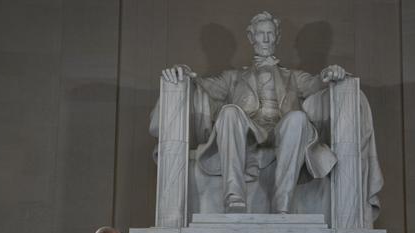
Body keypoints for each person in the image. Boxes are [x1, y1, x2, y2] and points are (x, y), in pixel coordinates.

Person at [159, 11, 382, 215]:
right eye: (261, 34)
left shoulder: (293, 77)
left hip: (283, 133)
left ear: (276, 37)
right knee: (228, 112)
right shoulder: (233, 78)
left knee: (297, 118)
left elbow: (317, 84)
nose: (265, 39)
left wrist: (331, 72)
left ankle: (282, 202)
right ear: (251, 37)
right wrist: (184, 73)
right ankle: (234, 196)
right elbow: (202, 85)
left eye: (270, 34)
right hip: (247, 134)